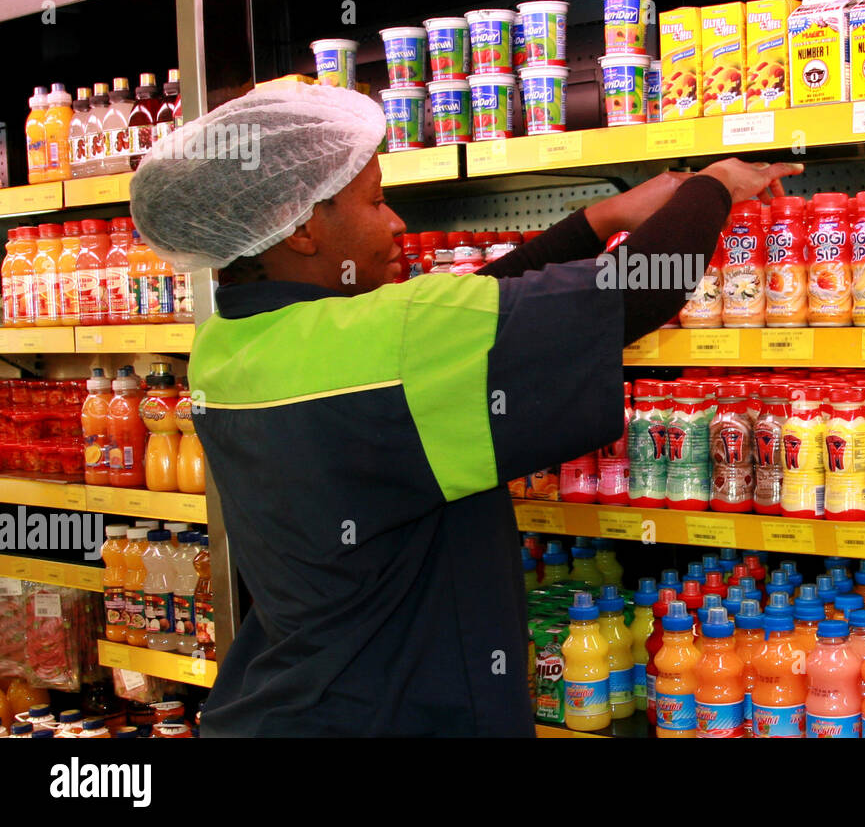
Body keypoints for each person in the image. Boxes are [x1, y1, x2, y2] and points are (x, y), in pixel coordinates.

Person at [130, 82, 800, 736]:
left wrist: (599, 221)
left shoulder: (230, 341)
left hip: (287, 703)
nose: (395, 222)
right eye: (376, 200)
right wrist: (713, 187)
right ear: (304, 227)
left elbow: (461, 326)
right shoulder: (384, 344)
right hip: (394, 715)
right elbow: (635, 294)